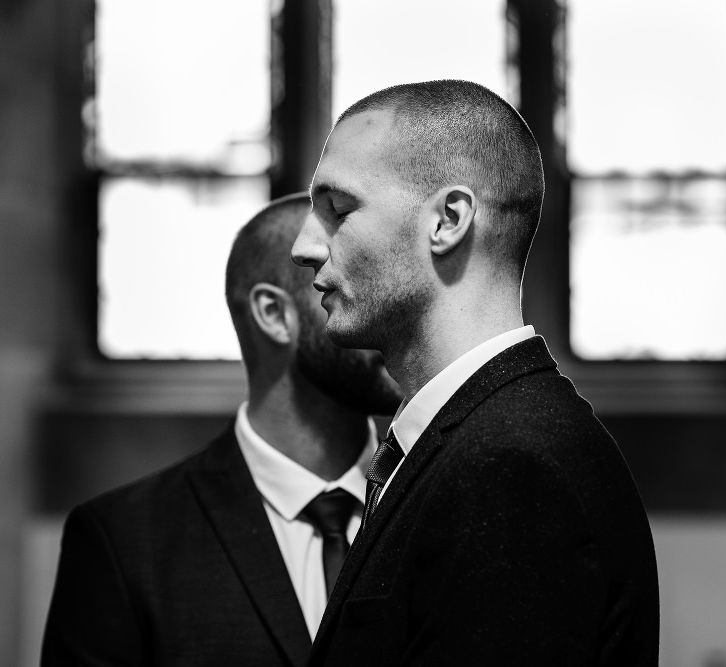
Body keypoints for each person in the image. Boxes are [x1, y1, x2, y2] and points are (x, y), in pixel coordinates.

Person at [291, 80, 659, 665]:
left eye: (338, 209)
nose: (304, 246)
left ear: (449, 220)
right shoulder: (469, 438)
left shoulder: (513, 466)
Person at [41, 193, 402, 666]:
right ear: (273, 314)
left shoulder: (441, 501)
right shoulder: (125, 542)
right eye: (349, 286)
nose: (390, 315)